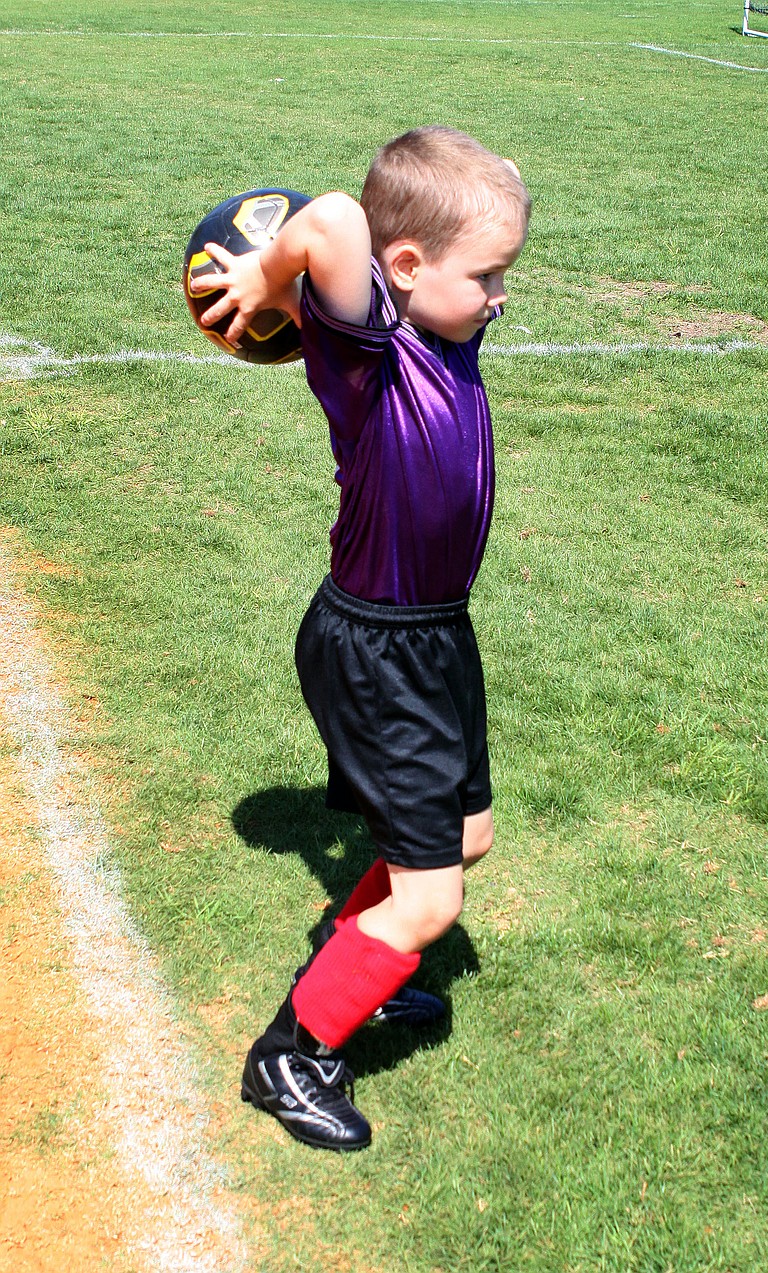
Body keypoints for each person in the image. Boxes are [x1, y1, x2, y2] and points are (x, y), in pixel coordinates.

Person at [193, 126, 531, 1151]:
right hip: (375, 644)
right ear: (407, 269)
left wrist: (465, 268)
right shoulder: (363, 356)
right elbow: (336, 217)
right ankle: (290, 1053)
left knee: (460, 837)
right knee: (431, 898)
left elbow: (373, 236)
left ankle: (359, 978)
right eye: (487, 275)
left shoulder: (450, 331)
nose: (500, 295)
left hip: (433, 636)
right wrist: (268, 271)